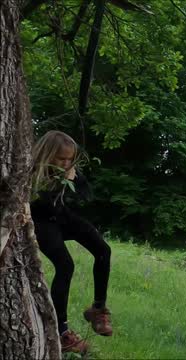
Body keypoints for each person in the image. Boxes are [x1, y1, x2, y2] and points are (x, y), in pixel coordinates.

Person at [30, 130, 112, 354]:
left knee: (103, 250)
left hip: (61, 217)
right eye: (61, 158)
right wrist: (58, 182)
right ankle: (61, 331)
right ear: (47, 154)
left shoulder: (68, 169)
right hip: (42, 223)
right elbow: (39, 205)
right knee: (65, 265)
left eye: (69, 159)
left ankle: (97, 309)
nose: (66, 163)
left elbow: (87, 195)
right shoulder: (32, 171)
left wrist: (74, 177)